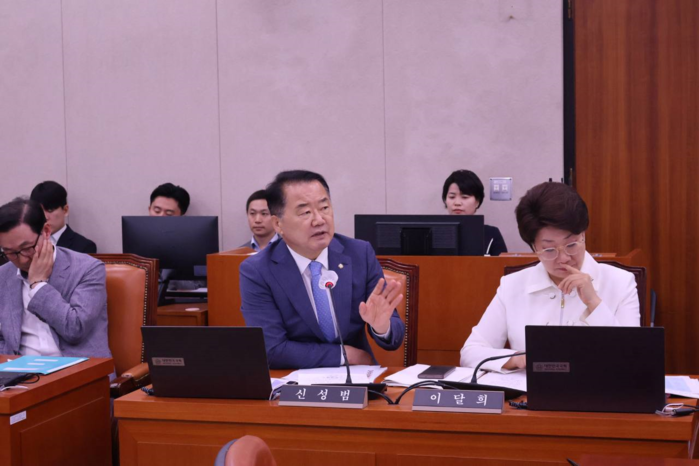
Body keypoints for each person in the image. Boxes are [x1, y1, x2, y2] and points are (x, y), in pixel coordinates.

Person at [460, 182, 640, 371]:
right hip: (530, 389)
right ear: (533, 247)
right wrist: (517, 359)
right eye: (549, 249)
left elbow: (633, 359)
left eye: (571, 245)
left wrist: (594, 303)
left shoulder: (621, 282)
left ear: (583, 235)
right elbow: (470, 353)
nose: (564, 258)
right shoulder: (512, 285)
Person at [240, 170, 405, 369]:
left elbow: (394, 337)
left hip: (358, 378)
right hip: (294, 379)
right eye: (305, 213)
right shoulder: (257, 271)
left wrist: (381, 327)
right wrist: (344, 355)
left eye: (324, 208)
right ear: (278, 224)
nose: (319, 220)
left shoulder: (359, 254)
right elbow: (271, 349)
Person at [0, 198, 111, 358]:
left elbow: (76, 329)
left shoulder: (88, 269)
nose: (22, 259)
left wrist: (38, 285)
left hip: (78, 367)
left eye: (27, 248)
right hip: (18, 368)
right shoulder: (3, 275)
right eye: (10, 252)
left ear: (46, 231)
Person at [442, 170, 507, 256]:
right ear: (445, 200)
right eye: (452, 197)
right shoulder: (434, 233)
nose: (457, 203)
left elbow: (502, 263)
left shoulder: (491, 234)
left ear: (477, 202)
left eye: (464, 197)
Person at [30, 181, 97, 254]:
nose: (45, 217)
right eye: (40, 211)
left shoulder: (84, 247)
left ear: (65, 210)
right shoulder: (27, 243)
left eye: (50, 210)